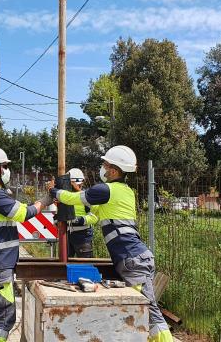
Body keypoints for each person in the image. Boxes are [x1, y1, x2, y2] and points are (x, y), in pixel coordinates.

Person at [49, 146, 173, 342]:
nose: (103, 169)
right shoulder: (125, 192)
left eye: (106, 165)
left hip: (132, 260)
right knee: (144, 312)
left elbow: (75, 198)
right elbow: (94, 213)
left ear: (114, 170)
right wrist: (74, 214)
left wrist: (56, 191)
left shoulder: (105, 189)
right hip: (137, 257)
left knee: (150, 313)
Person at [0, 146, 48, 342]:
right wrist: (45, 200)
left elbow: (18, 208)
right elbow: (23, 213)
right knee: (5, 316)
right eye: (4, 166)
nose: (7, 170)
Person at [66, 168, 96, 258]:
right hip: (67, 235)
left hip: (83, 237)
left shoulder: (87, 197)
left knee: (85, 265)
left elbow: (94, 217)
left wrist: (79, 220)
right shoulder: (65, 197)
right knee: (64, 266)